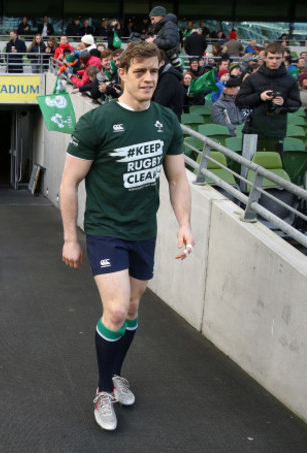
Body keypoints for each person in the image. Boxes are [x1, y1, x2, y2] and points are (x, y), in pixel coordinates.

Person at [59, 41, 194, 432]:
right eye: (140, 71)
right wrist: (71, 237)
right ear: (122, 74)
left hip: (143, 231)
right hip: (105, 229)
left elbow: (176, 177)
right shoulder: (97, 122)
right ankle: (103, 390)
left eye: (154, 71)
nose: (149, 78)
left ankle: (116, 374)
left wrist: (184, 223)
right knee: (116, 310)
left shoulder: (166, 120)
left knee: (132, 310)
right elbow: (69, 183)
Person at [235, 41, 301, 154]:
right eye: (271, 57)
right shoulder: (252, 78)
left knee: (273, 165)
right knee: (249, 167)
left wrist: (283, 102)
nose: (274, 61)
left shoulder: (290, 80)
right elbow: (239, 101)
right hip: (253, 130)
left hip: (276, 132)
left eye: (277, 58)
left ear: (282, 58)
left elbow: (296, 104)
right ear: (265, 57)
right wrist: (259, 97)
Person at [152, 52, 184, 120]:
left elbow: (159, 104)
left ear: (162, 62)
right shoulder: (166, 75)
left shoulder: (168, 78)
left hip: (166, 122)